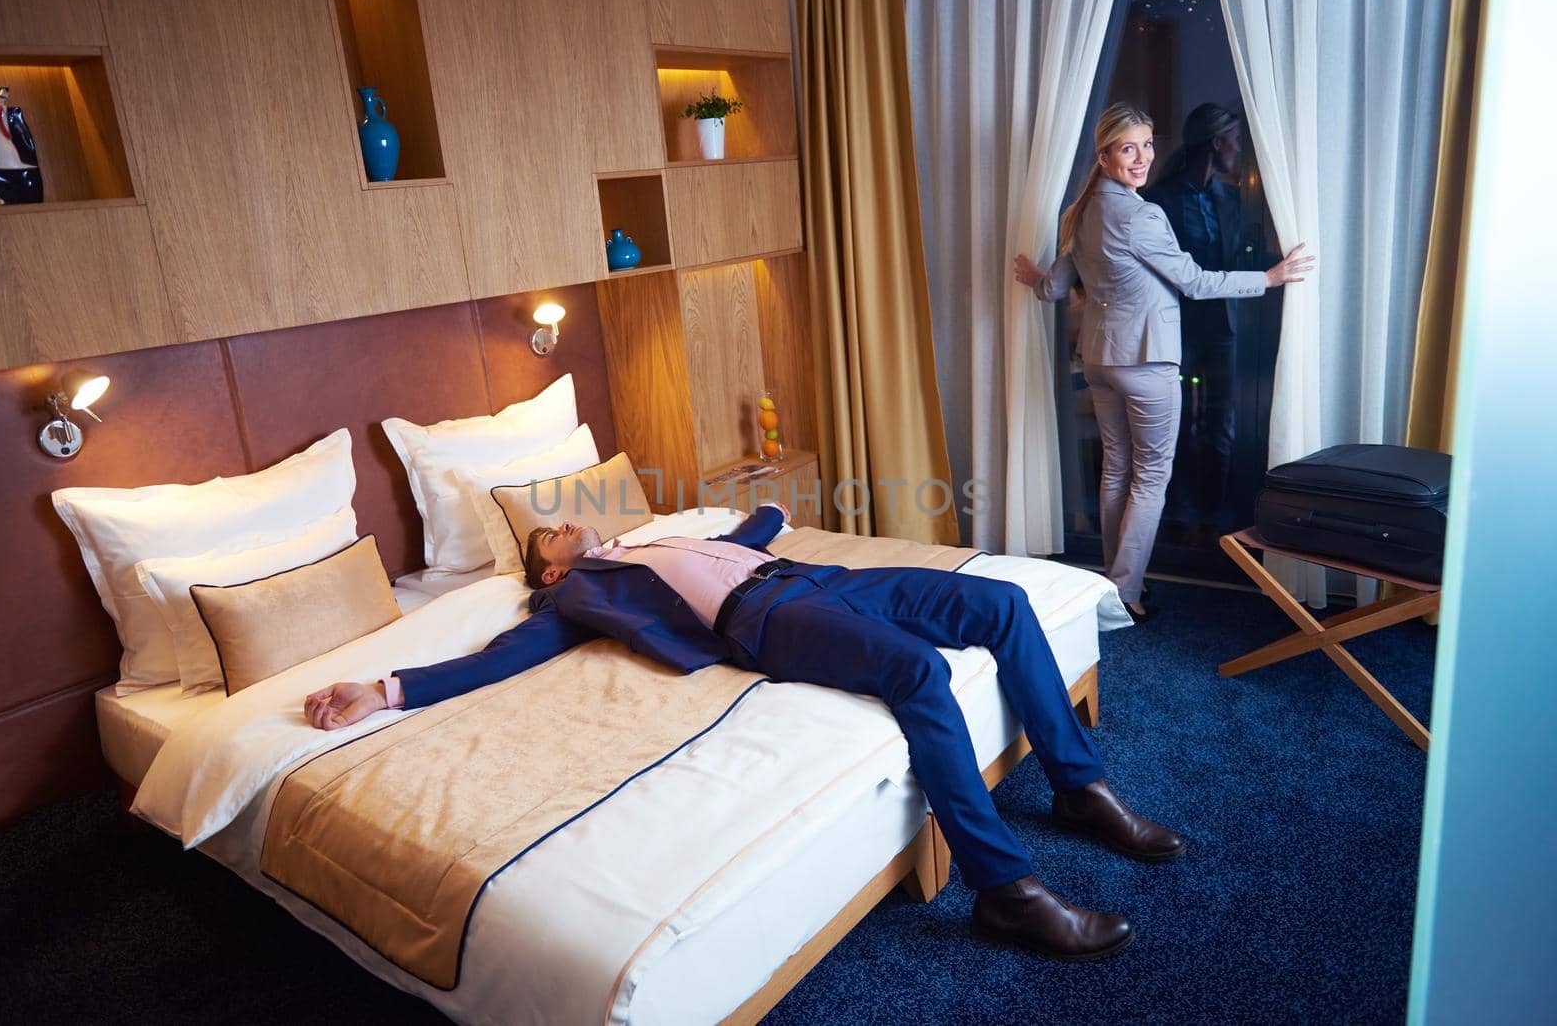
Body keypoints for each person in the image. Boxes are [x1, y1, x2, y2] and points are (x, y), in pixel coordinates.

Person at [306, 503, 1186, 962]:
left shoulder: (653, 540)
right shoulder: (577, 592)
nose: (571, 519)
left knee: (1003, 601)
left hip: (819, 577)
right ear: (550, 563)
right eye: (554, 529)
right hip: (765, 622)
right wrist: (386, 688)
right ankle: (1007, 892)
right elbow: (505, 654)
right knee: (918, 672)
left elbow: (746, 532)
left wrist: (756, 512)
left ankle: (1079, 788)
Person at [1015, 103, 1313, 623]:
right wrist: (1269, 278)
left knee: (1117, 471)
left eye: (1148, 145)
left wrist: (1032, 276)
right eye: (1128, 148)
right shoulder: (1141, 215)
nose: (1142, 157)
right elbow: (1196, 282)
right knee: (1150, 478)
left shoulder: (1082, 211)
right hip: (1146, 362)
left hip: (1102, 361)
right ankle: (1123, 594)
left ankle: (1114, 582)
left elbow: (1055, 288)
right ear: (1104, 156)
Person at [1143, 104, 1261, 529]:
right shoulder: (1157, 202)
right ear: (1217, 142)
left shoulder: (1235, 201)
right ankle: (1176, 514)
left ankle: (1216, 517)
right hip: (1176, 328)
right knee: (1174, 424)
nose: (1241, 150)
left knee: (1221, 423)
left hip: (1225, 329)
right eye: (1237, 140)